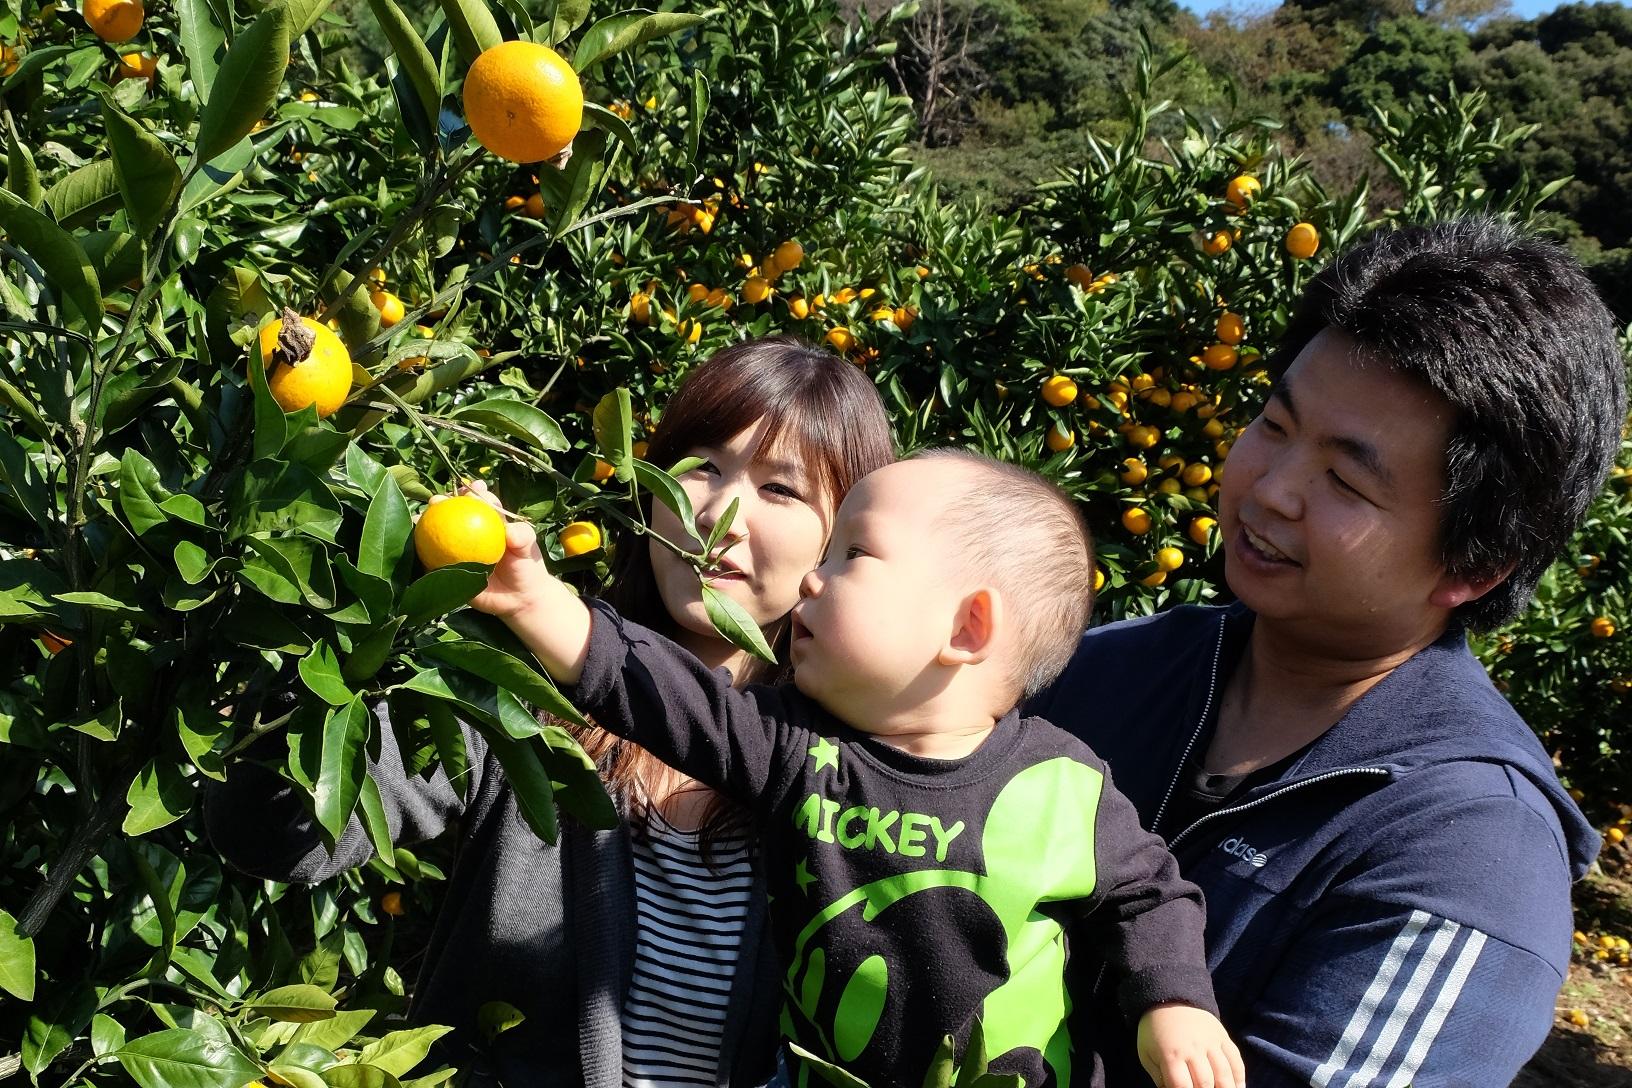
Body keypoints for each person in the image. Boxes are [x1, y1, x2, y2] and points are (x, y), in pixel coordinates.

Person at [1028, 217, 1627, 1087]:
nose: (1269, 491)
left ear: (1474, 564)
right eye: (1274, 426)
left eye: (1346, 481)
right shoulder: (1101, 669)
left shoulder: (1470, 858)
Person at [204, 336, 896, 1088]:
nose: (722, 516)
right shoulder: (524, 686)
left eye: (781, 490)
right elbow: (284, 838)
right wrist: (326, 618)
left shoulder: (850, 775)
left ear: (845, 538)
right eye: (702, 466)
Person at [468, 448, 1246, 1088]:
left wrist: (1173, 1002)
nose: (812, 576)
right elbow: (663, 694)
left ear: (968, 625)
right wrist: (539, 601)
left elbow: (1151, 896)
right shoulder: (795, 748)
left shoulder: (1063, 786)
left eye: (853, 555)